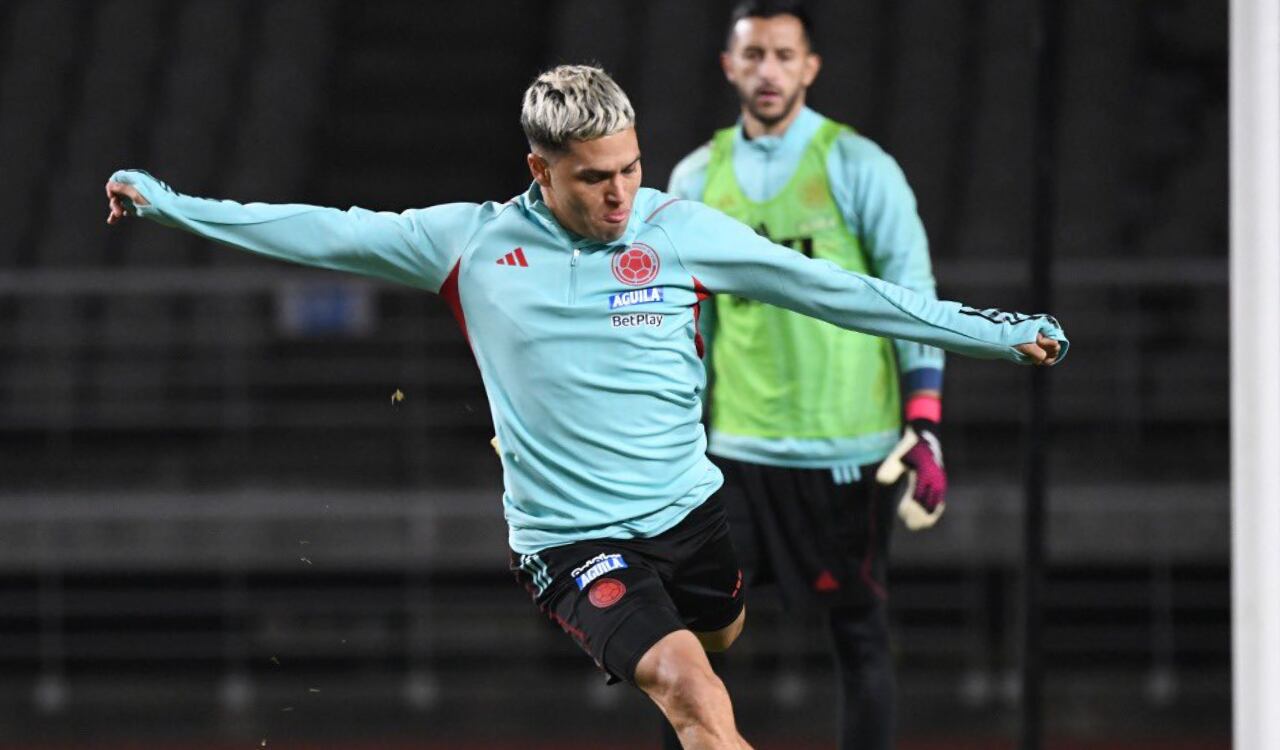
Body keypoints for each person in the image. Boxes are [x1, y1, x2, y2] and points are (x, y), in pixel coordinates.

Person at [105, 64, 1065, 750]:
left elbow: (837, 292)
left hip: (694, 515)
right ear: (540, 170)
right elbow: (318, 232)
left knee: (717, 643)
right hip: (572, 542)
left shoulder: (678, 230)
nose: (620, 195)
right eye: (594, 177)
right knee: (694, 693)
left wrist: (991, 333)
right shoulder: (470, 246)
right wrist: (168, 203)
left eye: (631, 168)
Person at [665, 2, 964, 747]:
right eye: (753, 54)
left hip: (850, 453)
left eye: (783, 55)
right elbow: (684, 328)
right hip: (736, 454)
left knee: (860, 640)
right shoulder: (695, 180)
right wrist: (670, 436)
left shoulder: (860, 167)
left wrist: (925, 422)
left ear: (810, 67)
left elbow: (913, 297)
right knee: (688, 644)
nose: (768, 70)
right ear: (729, 66)